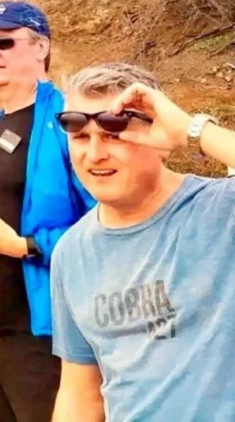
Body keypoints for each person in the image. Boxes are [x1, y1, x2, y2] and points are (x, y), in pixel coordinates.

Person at [51, 63, 235, 422]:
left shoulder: (223, 210)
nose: (95, 154)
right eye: (80, 136)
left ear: (161, 139)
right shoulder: (70, 254)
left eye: (114, 133)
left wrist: (192, 131)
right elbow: (81, 393)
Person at [0, 1, 96, 422]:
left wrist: (25, 246)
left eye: (5, 41)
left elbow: (109, 226)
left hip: (41, 336)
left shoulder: (71, 123)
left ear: (41, 47)